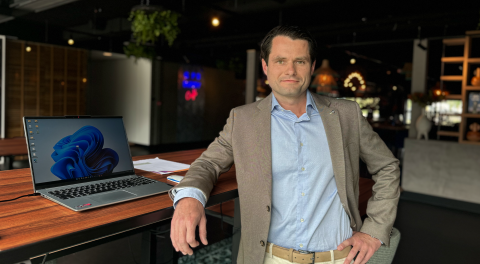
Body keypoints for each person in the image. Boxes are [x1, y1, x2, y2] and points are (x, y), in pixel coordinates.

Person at [169, 25, 400, 264]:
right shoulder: (243, 119)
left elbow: (387, 167)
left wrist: (374, 230)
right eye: (280, 61)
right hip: (268, 258)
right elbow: (207, 163)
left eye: (300, 61)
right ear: (265, 67)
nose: (290, 70)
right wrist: (189, 198)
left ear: (311, 67)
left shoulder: (346, 114)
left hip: (338, 258)